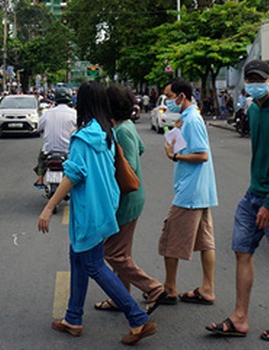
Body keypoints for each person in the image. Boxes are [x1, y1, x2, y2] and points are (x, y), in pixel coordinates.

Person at [37, 81, 157, 345]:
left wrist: (48, 207)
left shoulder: (83, 137)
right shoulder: (106, 134)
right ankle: (73, 317)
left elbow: (73, 175)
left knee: (92, 264)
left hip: (90, 210)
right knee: (77, 258)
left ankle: (137, 318)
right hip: (106, 206)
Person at [206, 60, 269, 341]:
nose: (254, 83)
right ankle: (240, 317)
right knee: (241, 251)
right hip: (254, 193)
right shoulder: (255, 110)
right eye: (250, 79)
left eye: (259, 79)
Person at [93, 85, 173, 315]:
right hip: (133, 197)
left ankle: (154, 288)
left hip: (126, 198)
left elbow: (128, 167)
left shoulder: (121, 131)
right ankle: (120, 297)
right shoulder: (125, 127)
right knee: (122, 252)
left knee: (113, 254)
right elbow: (142, 148)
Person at [157, 78, 218, 308]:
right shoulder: (188, 118)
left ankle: (169, 288)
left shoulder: (192, 119)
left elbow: (201, 155)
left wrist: (175, 156)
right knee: (205, 241)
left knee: (170, 238)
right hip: (201, 191)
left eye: (170, 97)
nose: (167, 102)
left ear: (181, 96)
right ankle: (207, 288)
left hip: (190, 192)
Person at [34, 86, 76, 188]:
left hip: (49, 150)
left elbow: (39, 127)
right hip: (68, 151)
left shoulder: (47, 113)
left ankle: (40, 179)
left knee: (41, 157)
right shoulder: (74, 114)